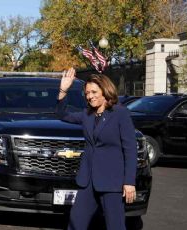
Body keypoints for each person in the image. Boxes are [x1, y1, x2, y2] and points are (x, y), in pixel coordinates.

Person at [56, 68, 137, 230]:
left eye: (94, 92)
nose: (90, 96)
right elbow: (62, 114)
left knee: (115, 225)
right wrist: (63, 89)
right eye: (87, 93)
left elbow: (130, 149)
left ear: (105, 91)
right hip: (88, 180)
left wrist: (129, 182)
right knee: (76, 222)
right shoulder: (87, 115)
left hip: (112, 181)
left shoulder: (120, 114)